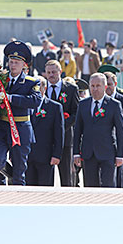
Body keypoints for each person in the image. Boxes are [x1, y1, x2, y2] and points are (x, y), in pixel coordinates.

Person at [0, 42, 38, 186]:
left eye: (16, 62)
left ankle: (17, 195)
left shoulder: (31, 82)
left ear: (24, 65)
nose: (13, 65)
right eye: (11, 62)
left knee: (19, 169)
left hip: (20, 127)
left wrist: (11, 98)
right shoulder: (0, 80)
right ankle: (8, 177)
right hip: (2, 126)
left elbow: (35, 101)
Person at [73, 72, 123, 187]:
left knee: (108, 186)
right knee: (90, 187)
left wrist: (120, 155)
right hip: (88, 153)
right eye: (92, 86)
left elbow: (121, 131)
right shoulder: (83, 104)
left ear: (105, 87)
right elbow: (78, 130)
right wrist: (76, 153)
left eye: (98, 86)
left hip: (107, 152)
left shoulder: (114, 105)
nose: (95, 89)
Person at [43, 56, 79, 186]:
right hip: (45, 140)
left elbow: (77, 112)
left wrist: (63, 125)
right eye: (48, 72)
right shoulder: (41, 88)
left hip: (65, 138)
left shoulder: (71, 89)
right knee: (45, 178)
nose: (51, 75)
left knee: (66, 177)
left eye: (54, 72)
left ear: (60, 71)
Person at [26, 76, 64, 185]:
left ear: (45, 88)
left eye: (39, 88)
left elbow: (59, 133)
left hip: (46, 156)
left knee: (44, 189)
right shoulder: (26, 105)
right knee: (28, 190)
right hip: (27, 156)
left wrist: (57, 155)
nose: (36, 91)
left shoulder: (55, 107)